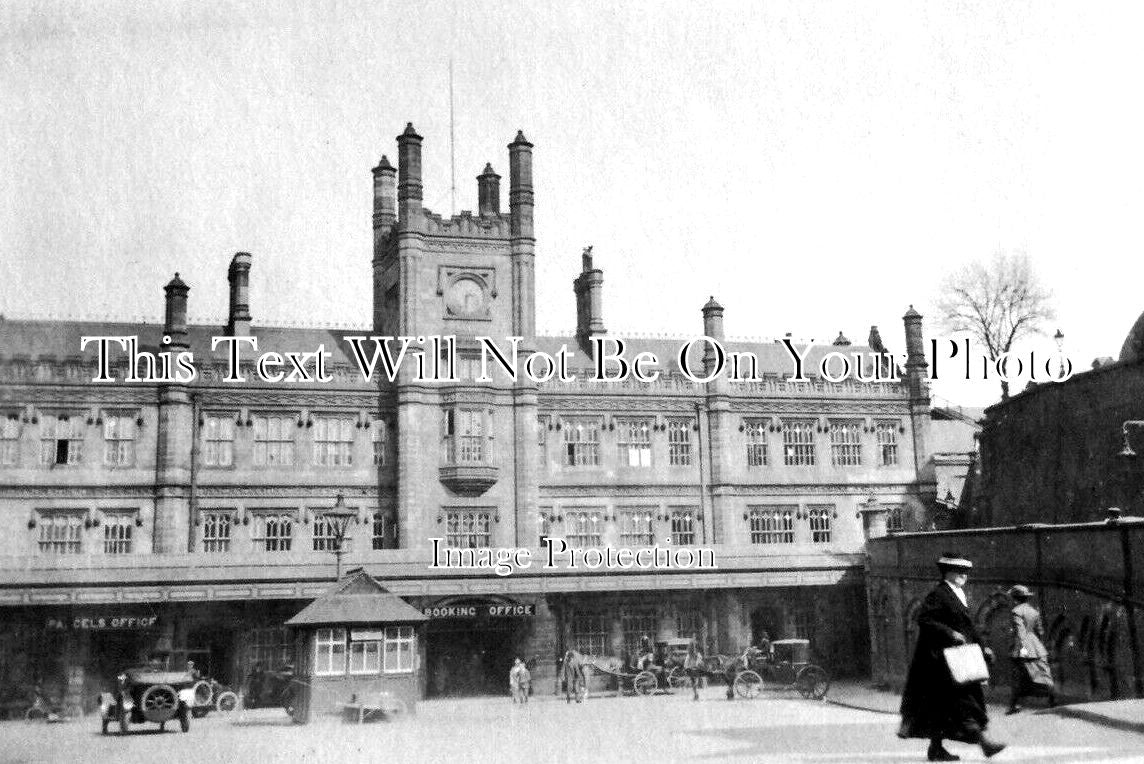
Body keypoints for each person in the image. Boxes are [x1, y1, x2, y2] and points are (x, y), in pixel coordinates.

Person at [898, 553, 1006, 762]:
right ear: (947, 572)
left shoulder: (958, 594)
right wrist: (950, 633)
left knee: (943, 707)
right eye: (959, 571)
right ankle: (985, 744)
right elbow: (925, 619)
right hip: (940, 661)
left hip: (958, 660)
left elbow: (970, 628)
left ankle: (936, 749)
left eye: (966, 571)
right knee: (962, 702)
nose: (964, 575)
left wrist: (984, 648)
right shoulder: (939, 594)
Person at [1007, 584, 1056, 714]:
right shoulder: (1034, 612)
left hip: (1023, 645)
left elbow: (1020, 631)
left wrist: (1023, 649)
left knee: (1018, 674)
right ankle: (1052, 698)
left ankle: (1015, 705)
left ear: (1015, 598)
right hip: (1035, 644)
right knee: (1043, 671)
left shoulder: (1016, 611)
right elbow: (1040, 631)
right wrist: (1038, 645)